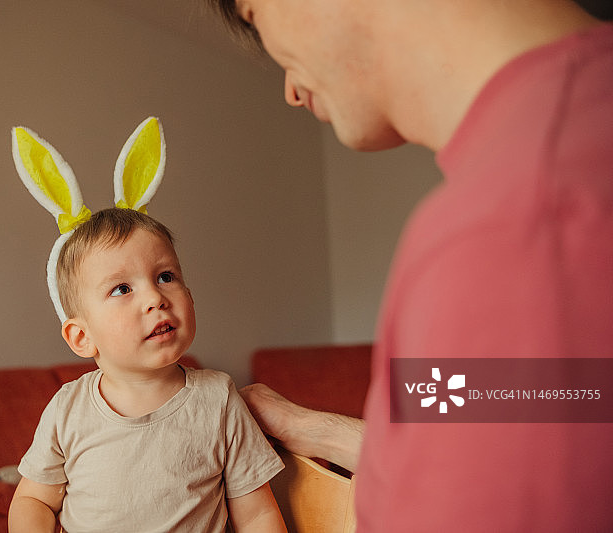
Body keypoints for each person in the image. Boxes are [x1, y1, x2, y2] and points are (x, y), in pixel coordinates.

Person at [207, 0, 613, 531]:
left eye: (255, 14)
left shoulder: (509, 227)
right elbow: (554, 406)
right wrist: (317, 429)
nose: (288, 89)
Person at [8, 121, 286, 532]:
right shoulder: (68, 409)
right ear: (82, 337)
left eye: (165, 277)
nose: (155, 298)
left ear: (190, 297)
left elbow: (258, 513)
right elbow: (33, 499)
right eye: (122, 288)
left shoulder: (217, 399)